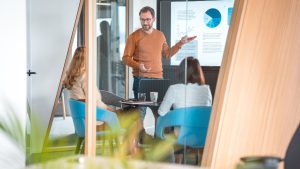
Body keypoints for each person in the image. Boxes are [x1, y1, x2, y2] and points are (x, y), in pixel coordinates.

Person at [122, 6, 197, 120]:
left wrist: (180, 43)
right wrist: (138, 66)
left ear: (154, 19)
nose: (145, 22)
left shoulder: (160, 35)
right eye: (142, 19)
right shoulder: (133, 37)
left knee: (161, 113)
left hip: (158, 79)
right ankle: (139, 138)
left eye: (148, 19)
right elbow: (125, 58)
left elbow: (167, 54)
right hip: (141, 80)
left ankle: (159, 137)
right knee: (140, 114)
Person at [63, 46, 141, 155]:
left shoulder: (73, 77)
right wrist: (107, 108)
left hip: (85, 123)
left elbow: (88, 101)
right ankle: (128, 149)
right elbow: (94, 102)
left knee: (129, 112)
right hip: (96, 124)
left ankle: (129, 148)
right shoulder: (85, 77)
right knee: (134, 113)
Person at [158, 57, 212, 134]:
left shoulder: (174, 89)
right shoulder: (206, 89)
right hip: (203, 137)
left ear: (181, 71)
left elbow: (162, 112)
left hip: (181, 138)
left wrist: (174, 113)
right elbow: (207, 113)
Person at [97, 21, 111, 91]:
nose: (103, 30)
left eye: (105, 28)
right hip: (100, 65)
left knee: (108, 83)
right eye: (101, 28)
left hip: (111, 66)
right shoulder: (98, 39)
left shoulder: (113, 38)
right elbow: (96, 52)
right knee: (100, 82)